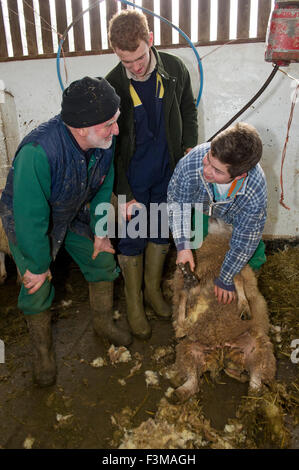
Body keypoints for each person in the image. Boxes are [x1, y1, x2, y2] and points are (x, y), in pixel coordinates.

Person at [0, 76, 132, 388]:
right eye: (109, 124)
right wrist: (38, 264)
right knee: (36, 284)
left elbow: (103, 185)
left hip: (73, 210)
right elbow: (31, 216)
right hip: (29, 218)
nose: (116, 129)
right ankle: (42, 353)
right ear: (82, 126)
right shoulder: (39, 151)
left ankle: (102, 324)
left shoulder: (103, 143)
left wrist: (101, 231)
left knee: (102, 260)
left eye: (117, 121)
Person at [106, 10, 198, 340]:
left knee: (161, 231)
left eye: (140, 57)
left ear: (151, 41)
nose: (135, 67)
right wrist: (123, 191)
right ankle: (134, 305)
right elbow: (109, 147)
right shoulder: (112, 85)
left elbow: (188, 108)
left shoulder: (174, 69)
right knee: (132, 236)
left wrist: (189, 145)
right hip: (133, 176)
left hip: (167, 170)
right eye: (126, 61)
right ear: (116, 53)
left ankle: (152, 293)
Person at [167, 122, 267, 305]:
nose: (206, 170)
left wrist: (227, 277)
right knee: (199, 252)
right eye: (209, 159)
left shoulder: (255, 190)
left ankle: (249, 297)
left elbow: (246, 239)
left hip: (237, 218)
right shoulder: (193, 161)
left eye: (217, 171)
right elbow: (177, 203)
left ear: (239, 176)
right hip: (203, 209)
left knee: (253, 255)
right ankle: (200, 301)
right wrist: (182, 245)